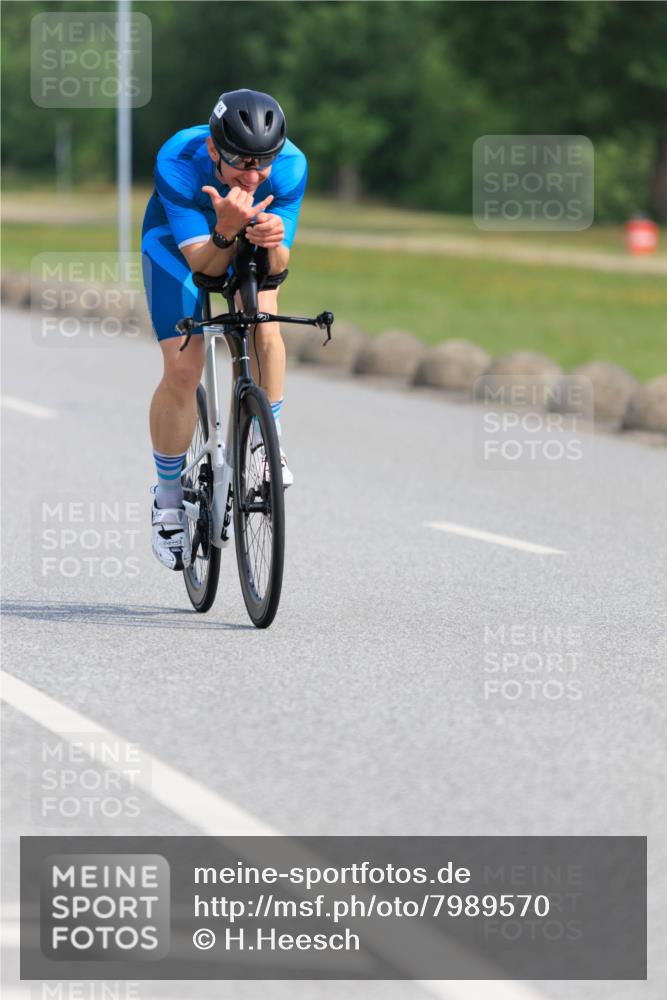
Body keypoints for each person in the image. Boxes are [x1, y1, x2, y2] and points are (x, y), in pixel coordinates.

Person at [141, 89, 307, 570]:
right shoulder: (179, 158)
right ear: (214, 149)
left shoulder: (292, 165)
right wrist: (225, 230)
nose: (253, 176)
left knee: (265, 326)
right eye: (240, 164)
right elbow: (205, 270)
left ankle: (263, 446)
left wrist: (273, 242)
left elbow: (276, 269)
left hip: (240, 233)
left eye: (263, 165)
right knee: (185, 364)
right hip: (179, 245)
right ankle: (168, 498)